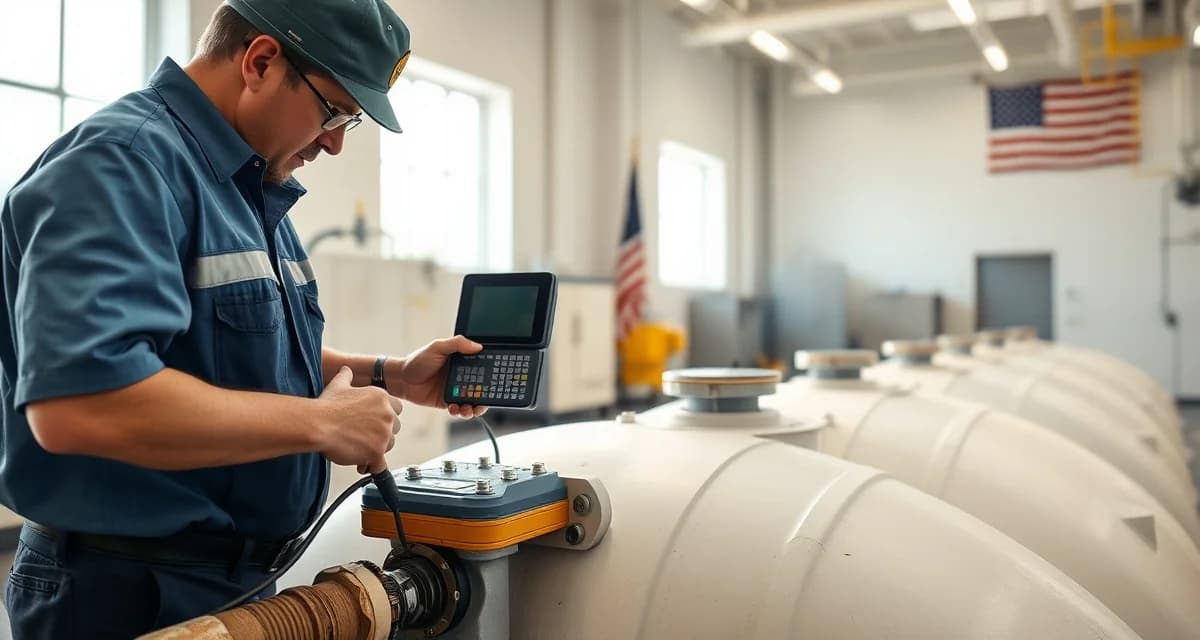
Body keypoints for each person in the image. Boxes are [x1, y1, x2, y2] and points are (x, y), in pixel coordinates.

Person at [0, 1, 484, 636]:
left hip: (231, 584)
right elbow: (81, 405)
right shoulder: (124, 163)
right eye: (334, 111)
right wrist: (320, 424)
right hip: (125, 593)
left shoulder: (240, 187)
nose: (336, 142)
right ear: (259, 61)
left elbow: (244, 353)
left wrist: (391, 375)